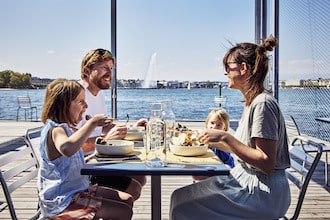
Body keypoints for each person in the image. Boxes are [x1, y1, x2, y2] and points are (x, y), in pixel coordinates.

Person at [170, 35, 291, 219]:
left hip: (262, 193)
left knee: (182, 208)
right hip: (245, 180)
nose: (225, 73)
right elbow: (244, 149)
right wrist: (211, 139)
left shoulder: (263, 104)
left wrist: (225, 138)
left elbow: (266, 163)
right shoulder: (251, 103)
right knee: (178, 197)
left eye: (228, 67)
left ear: (243, 69)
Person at [37, 79, 133, 220]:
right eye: (80, 101)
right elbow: (67, 149)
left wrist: (95, 153)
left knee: (128, 199)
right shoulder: (56, 130)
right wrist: (92, 124)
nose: (86, 106)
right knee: (123, 211)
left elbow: (71, 160)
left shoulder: (67, 129)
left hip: (76, 190)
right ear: (62, 105)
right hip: (63, 201)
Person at [76, 48, 147, 201]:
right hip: (80, 169)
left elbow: (104, 128)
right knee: (133, 188)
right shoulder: (75, 96)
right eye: (104, 68)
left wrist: (133, 129)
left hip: (97, 159)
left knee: (140, 176)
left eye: (111, 69)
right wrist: (106, 140)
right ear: (86, 70)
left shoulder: (99, 94)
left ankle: (110, 210)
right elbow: (73, 147)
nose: (110, 73)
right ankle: (109, 209)